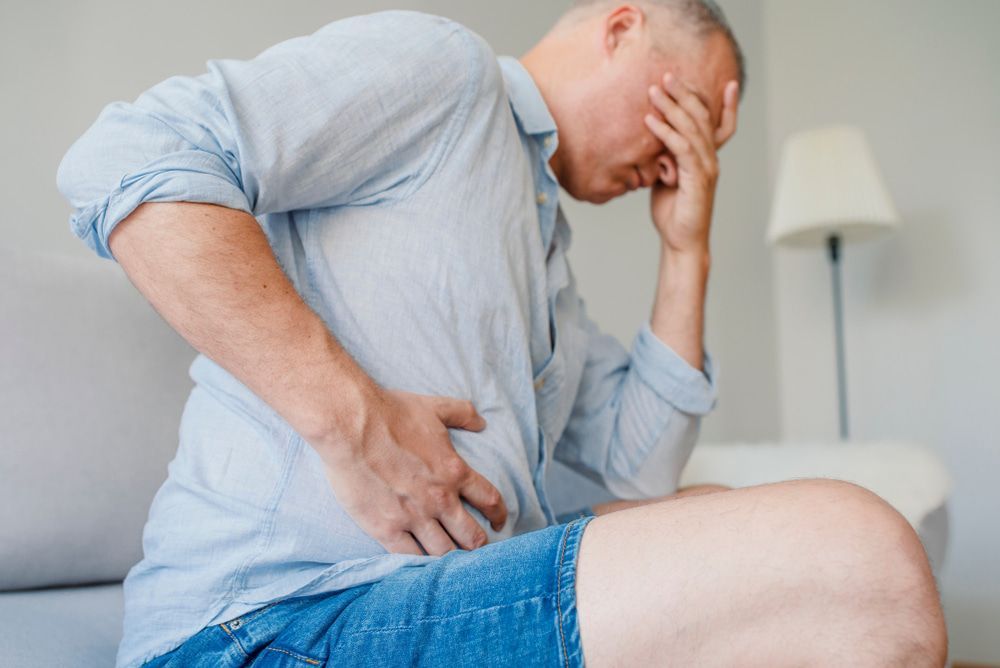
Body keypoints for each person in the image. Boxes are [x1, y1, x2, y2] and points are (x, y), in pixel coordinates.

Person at [57, 1, 947, 666]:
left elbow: (641, 471)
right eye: (694, 115)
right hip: (263, 626)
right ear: (623, 27)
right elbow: (127, 156)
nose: (687, 158)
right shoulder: (450, 75)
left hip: (407, 607)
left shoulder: (544, 256)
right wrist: (348, 414)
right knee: (861, 554)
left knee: (717, 513)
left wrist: (687, 248)